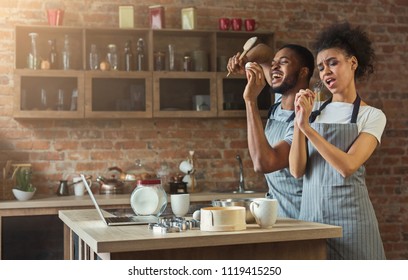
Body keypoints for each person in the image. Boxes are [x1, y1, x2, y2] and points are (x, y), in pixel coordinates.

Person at [289, 21, 386, 259]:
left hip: (352, 222)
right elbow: (296, 170)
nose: (326, 72)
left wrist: (308, 130)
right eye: (321, 67)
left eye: (333, 63)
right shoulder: (313, 111)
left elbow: (347, 166)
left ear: (353, 63)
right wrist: (299, 120)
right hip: (312, 219)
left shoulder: (372, 115)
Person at [227, 43, 314, 218]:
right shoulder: (280, 102)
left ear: (303, 72)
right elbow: (264, 52)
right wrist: (245, 60)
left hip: (299, 218)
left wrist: (250, 100)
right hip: (278, 216)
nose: (274, 66)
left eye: (283, 62)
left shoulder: (306, 117)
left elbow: (264, 163)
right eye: (274, 63)